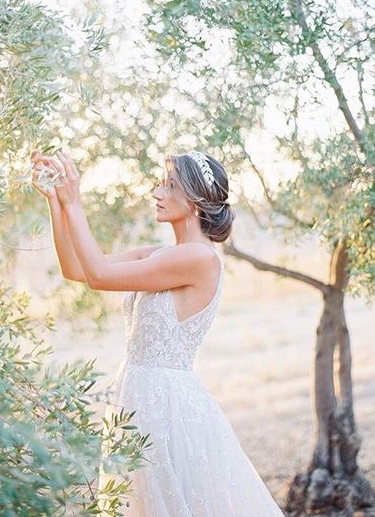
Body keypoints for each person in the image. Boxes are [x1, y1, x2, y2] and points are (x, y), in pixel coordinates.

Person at [31, 149, 285, 516]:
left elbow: (100, 275)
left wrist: (76, 201)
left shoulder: (199, 258)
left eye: (169, 185)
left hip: (166, 406)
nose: (157, 192)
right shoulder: (161, 253)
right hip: (135, 395)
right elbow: (77, 270)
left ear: (195, 201)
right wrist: (57, 201)